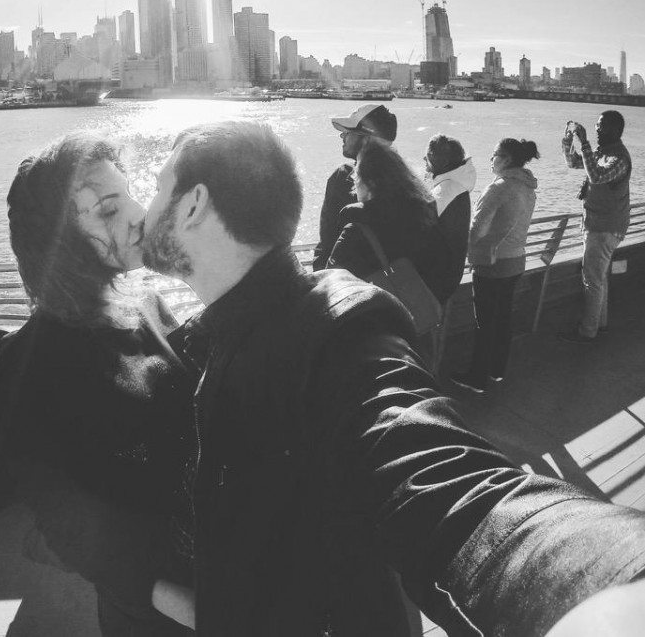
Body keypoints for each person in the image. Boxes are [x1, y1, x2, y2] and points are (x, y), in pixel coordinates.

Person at [140, 120, 645, 636]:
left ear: (193, 204)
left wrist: (612, 583)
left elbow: (449, 483)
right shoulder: (219, 336)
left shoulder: (340, 345)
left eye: (158, 186)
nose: (144, 207)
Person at [0, 133, 195, 636]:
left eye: (130, 195)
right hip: (163, 617)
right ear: (60, 242)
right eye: (107, 210)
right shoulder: (31, 372)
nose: (139, 214)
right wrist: (207, 612)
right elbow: (73, 532)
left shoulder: (151, 308)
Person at [452, 138, 540, 394]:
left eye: (495, 154)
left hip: (492, 262)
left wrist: (464, 250)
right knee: (503, 318)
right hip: (516, 261)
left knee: (485, 322)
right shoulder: (527, 187)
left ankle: (476, 377)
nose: (491, 159)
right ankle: (497, 370)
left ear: (508, 159)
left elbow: (477, 228)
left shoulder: (499, 187)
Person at [325, 141, 453, 306]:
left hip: (376, 323)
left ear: (369, 182)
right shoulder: (423, 216)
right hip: (418, 320)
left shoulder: (356, 227)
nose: (354, 183)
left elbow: (332, 282)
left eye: (356, 177)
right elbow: (444, 270)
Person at [562, 110, 632, 343]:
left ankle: (588, 331)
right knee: (598, 278)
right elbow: (574, 164)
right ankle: (598, 324)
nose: (597, 129)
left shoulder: (619, 158)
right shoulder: (604, 152)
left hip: (605, 228)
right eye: (596, 125)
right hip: (598, 223)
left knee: (592, 279)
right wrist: (568, 141)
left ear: (615, 130)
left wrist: (585, 143)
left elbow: (596, 177)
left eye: (601, 126)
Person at [312, 103, 398, 270]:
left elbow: (328, 240)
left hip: (350, 284)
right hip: (394, 286)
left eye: (348, 132)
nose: (342, 137)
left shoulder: (343, 178)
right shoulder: (406, 183)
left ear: (366, 139)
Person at [425, 134, 476, 301]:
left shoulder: (445, 191)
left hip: (435, 277)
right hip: (450, 273)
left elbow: (417, 229)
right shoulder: (456, 187)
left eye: (429, 154)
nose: (424, 158)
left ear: (443, 161)